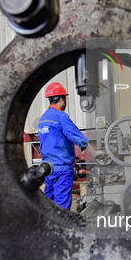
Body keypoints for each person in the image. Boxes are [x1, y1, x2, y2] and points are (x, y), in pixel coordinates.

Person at [38, 82, 88, 210]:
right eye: (64, 99)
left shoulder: (43, 119)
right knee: (62, 207)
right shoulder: (61, 116)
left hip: (48, 169)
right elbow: (79, 138)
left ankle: (47, 228)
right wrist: (96, 153)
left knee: (49, 204)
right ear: (61, 99)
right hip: (62, 170)